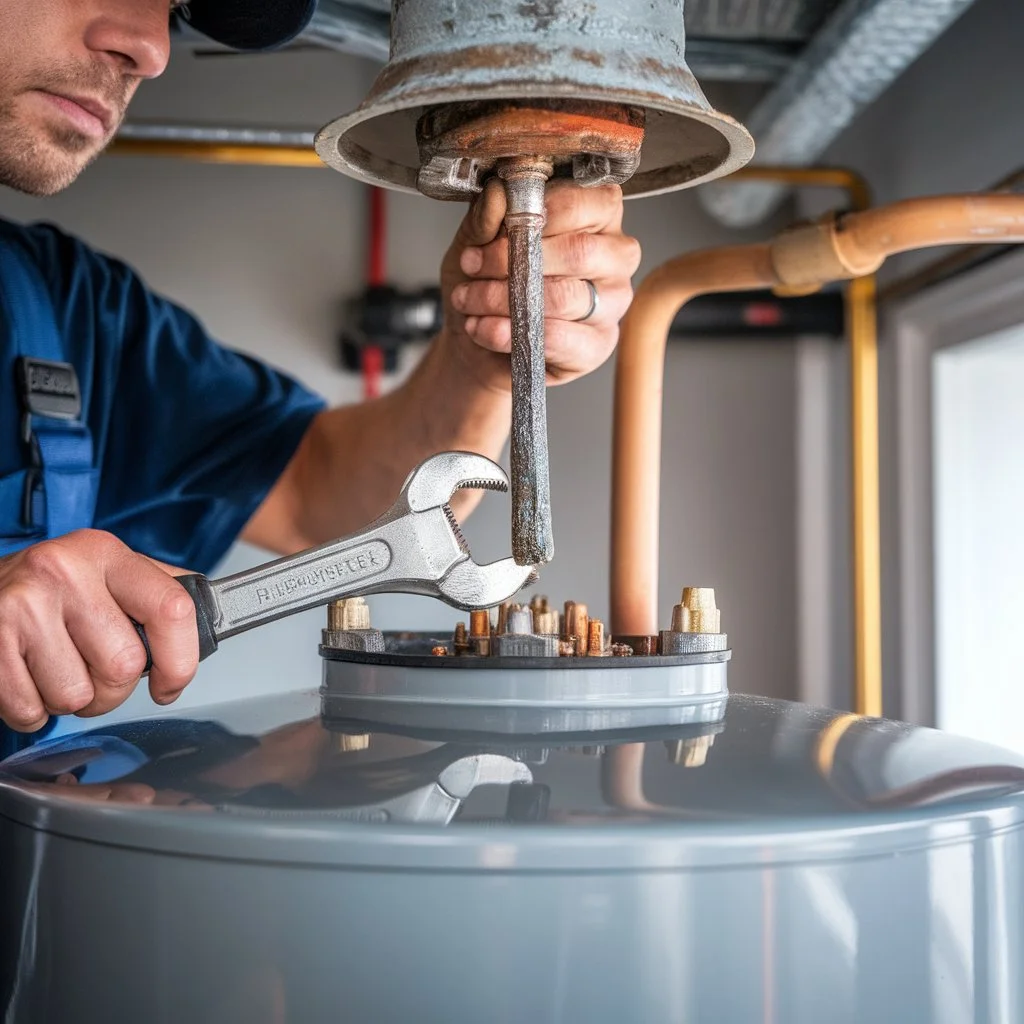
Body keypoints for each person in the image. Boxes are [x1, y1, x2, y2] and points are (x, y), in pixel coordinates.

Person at [0, 0, 641, 741]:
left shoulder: (63, 305)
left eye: (172, 9)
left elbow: (317, 493)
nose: (151, 48)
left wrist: (478, 360)